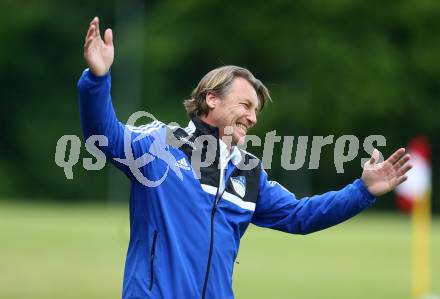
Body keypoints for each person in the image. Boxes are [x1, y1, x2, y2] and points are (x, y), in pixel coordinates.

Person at [78, 17, 412, 299]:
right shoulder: (159, 144)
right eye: (246, 106)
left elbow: (300, 215)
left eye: (256, 111)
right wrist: (97, 80)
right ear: (211, 99)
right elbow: (103, 135)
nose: (252, 118)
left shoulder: (249, 172)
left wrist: (363, 190)